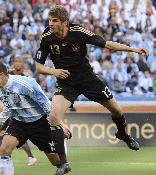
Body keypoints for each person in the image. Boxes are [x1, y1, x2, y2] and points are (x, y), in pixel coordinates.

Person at [35, 6, 148, 151]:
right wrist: (54, 71)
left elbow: (107, 44)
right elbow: (39, 67)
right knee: (54, 117)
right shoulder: (46, 37)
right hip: (66, 82)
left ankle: (123, 134)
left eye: (55, 21)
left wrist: (133, 49)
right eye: (49, 20)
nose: (50, 23)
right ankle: (62, 161)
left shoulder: (78, 32)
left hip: (88, 79)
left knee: (117, 110)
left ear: (65, 23)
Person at [0, 62, 66, 175]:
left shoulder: (25, 84)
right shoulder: (0, 89)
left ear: (1, 74)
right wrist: (0, 119)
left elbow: (46, 105)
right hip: (19, 122)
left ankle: (61, 148)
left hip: (39, 123)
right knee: (4, 150)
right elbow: (9, 107)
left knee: (56, 161)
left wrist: (60, 125)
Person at [0, 57, 37, 167]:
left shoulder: (26, 76)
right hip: (10, 109)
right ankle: (4, 158)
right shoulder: (9, 74)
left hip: (20, 110)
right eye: (15, 62)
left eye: (19, 62)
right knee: (2, 134)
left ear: (22, 64)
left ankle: (28, 157)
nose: (17, 64)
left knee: (14, 135)